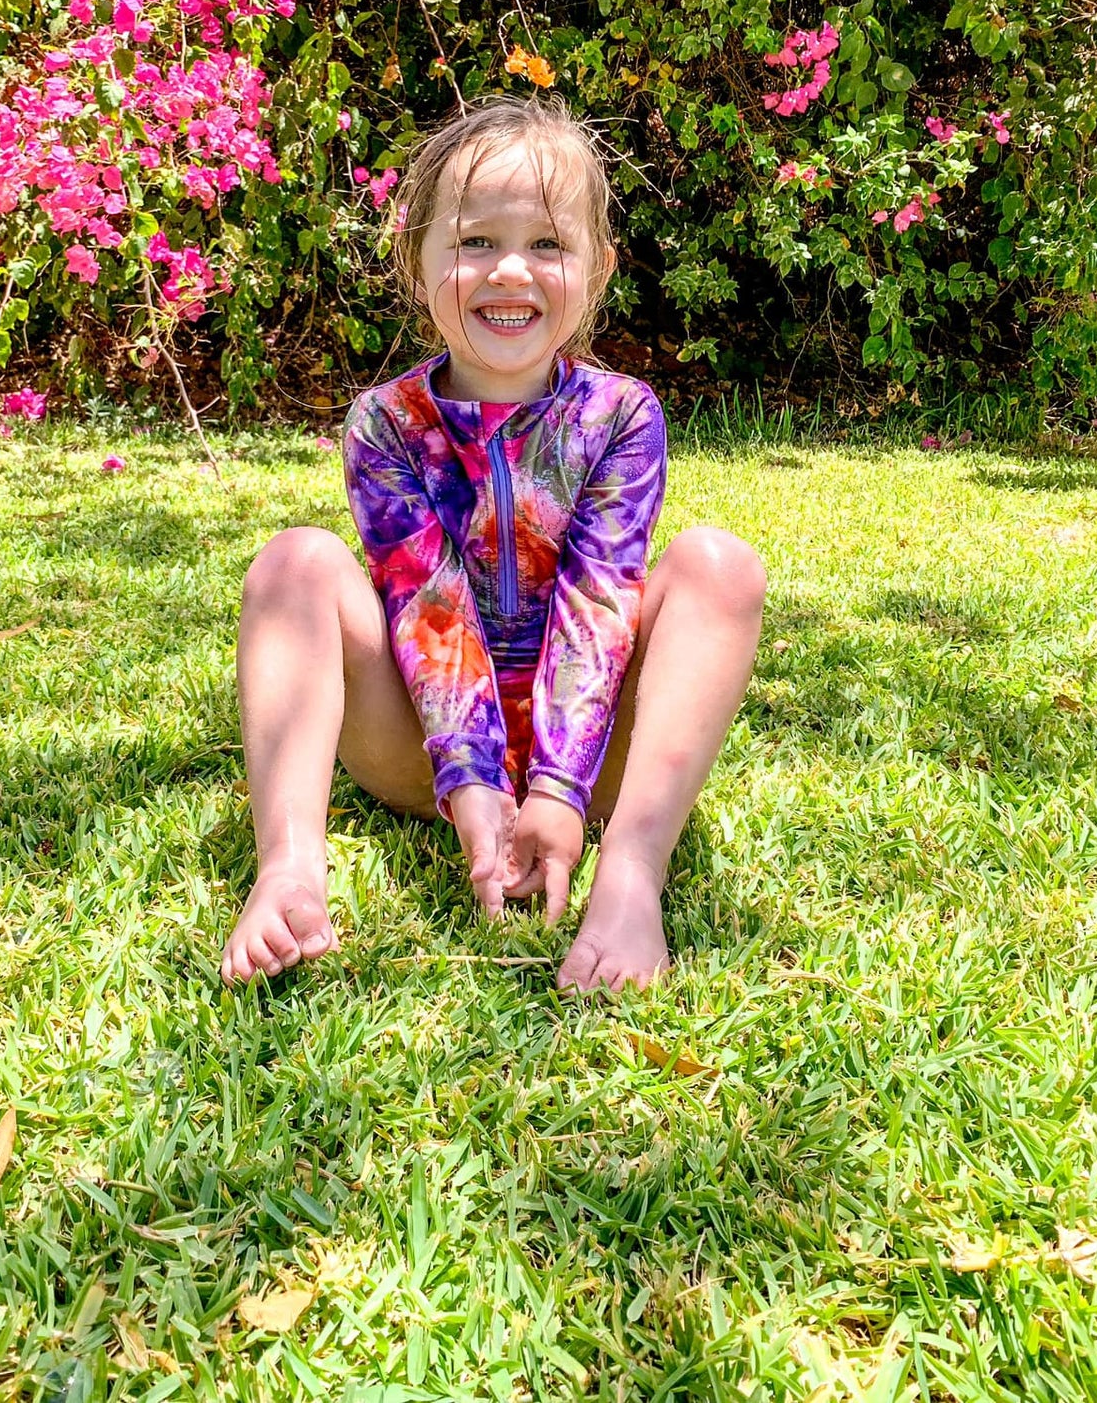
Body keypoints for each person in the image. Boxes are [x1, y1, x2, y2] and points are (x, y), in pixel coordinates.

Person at [221, 92, 766, 993]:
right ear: (418, 259)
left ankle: (631, 873)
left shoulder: (621, 415)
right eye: (475, 241)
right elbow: (422, 600)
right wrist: (472, 780)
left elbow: (600, 599)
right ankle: (287, 867)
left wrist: (557, 788)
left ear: (597, 268)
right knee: (294, 562)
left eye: (548, 243)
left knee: (719, 566)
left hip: (600, 754)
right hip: (416, 749)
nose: (510, 268)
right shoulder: (386, 424)